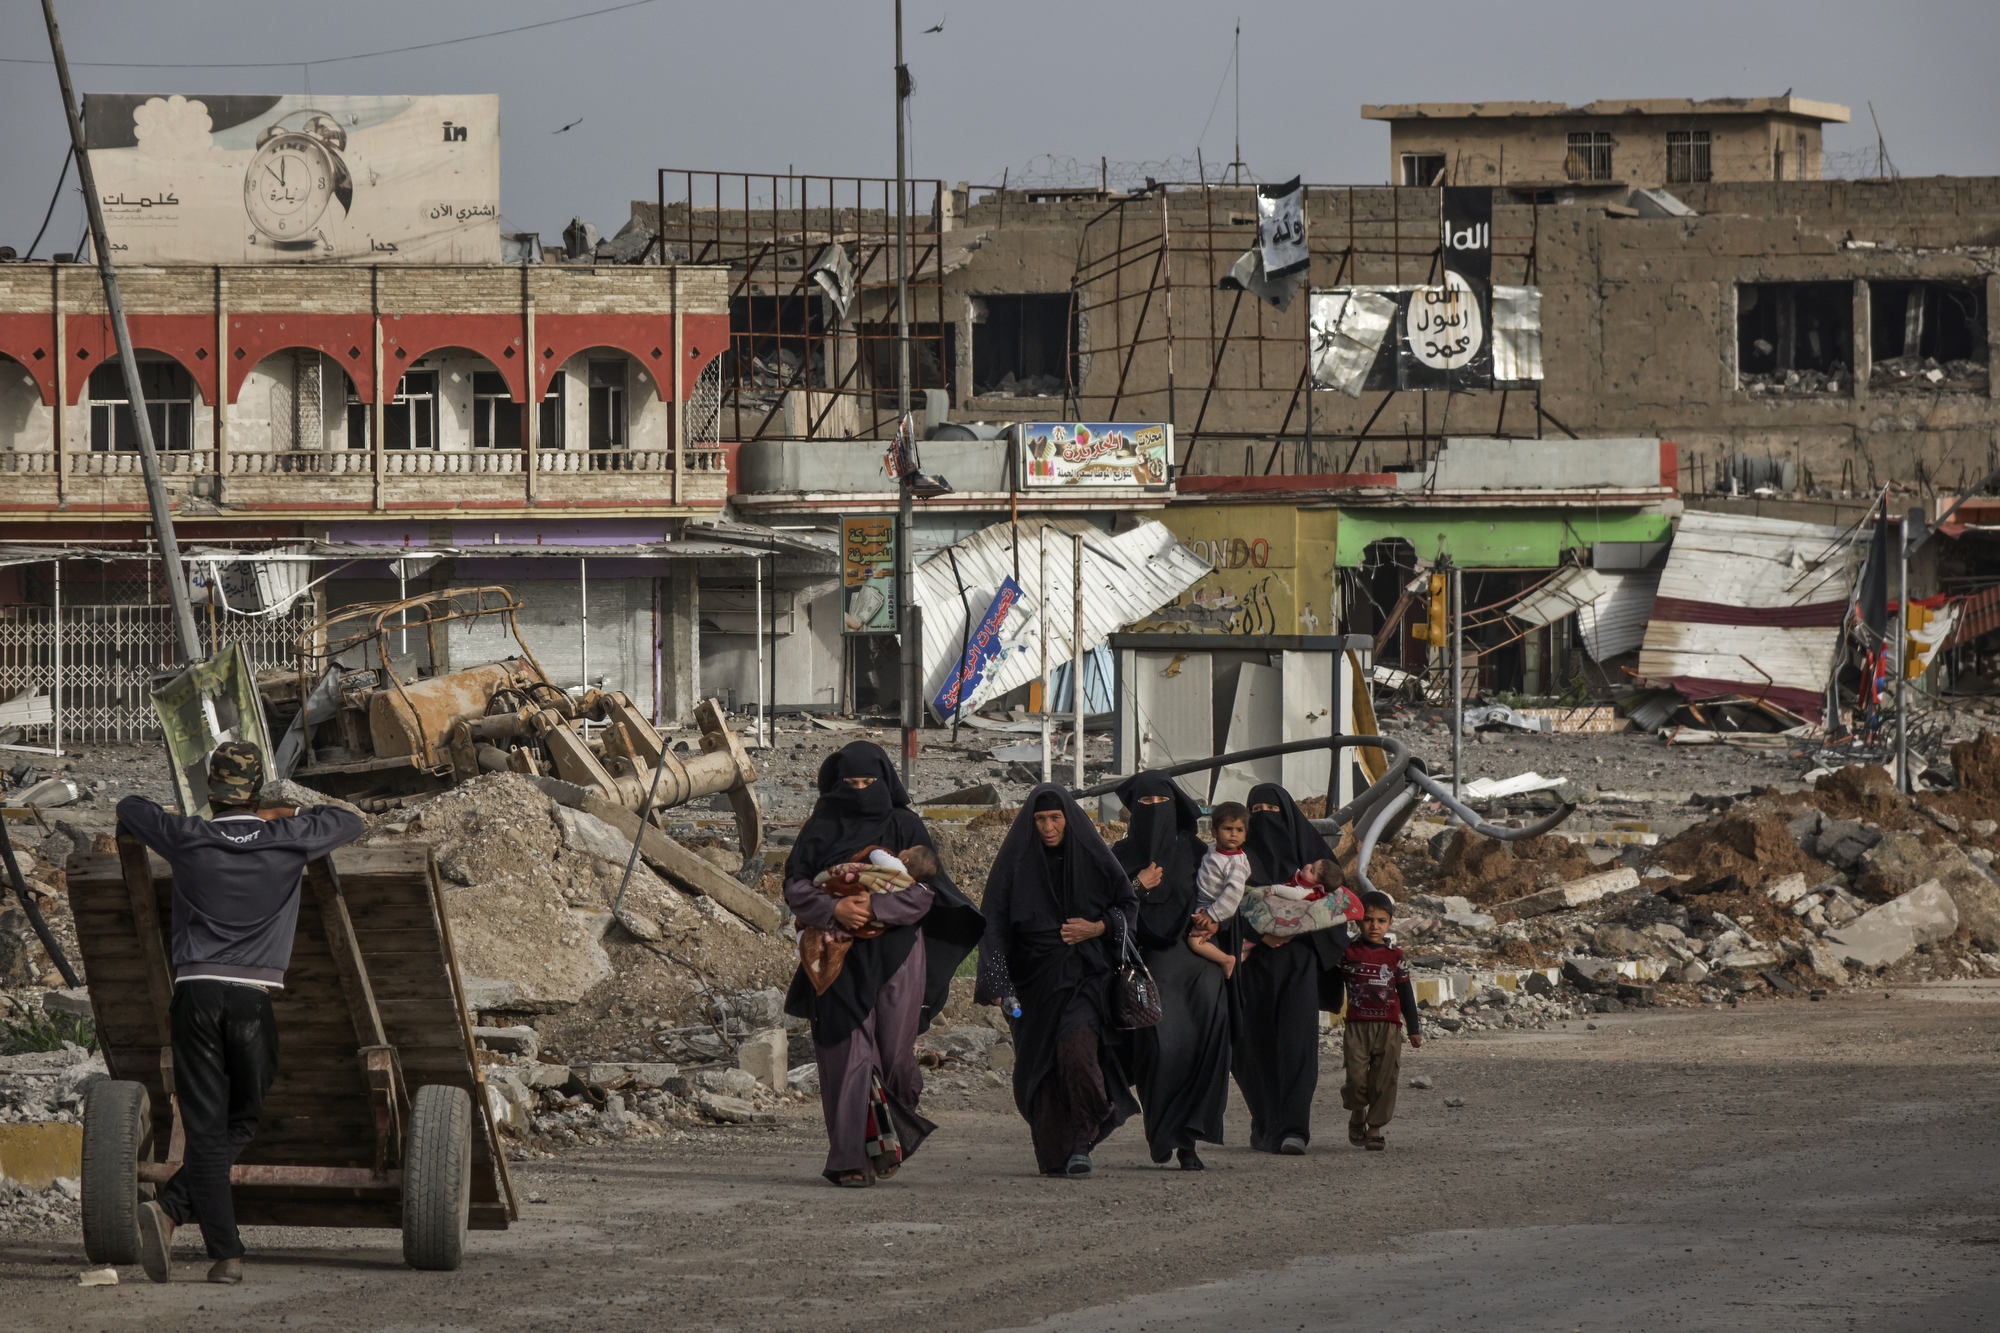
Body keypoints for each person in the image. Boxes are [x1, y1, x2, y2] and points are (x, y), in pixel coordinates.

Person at [115, 742, 366, 1285]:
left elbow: (131, 807)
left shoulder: (188, 838)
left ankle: (182, 1220)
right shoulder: (288, 839)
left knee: (204, 1128)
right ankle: (201, 1235)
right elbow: (348, 820)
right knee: (243, 1118)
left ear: (212, 790)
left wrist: (184, 815)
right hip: (252, 1001)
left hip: (196, 995)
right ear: (258, 790)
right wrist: (287, 810)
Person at [782, 743, 983, 1187]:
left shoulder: (904, 825)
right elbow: (794, 886)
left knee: (894, 1057)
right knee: (847, 1055)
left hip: (897, 956)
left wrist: (873, 909)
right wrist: (834, 911)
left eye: (867, 784)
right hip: (836, 953)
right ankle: (848, 1159)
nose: (858, 792)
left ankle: (891, 1136)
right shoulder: (821, 827)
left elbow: (926, 892)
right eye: (850, 784)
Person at [976, 784, 1139, 1178]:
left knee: (1077, 1054)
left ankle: (1083, 1139)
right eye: (1040, 820)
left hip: (1083, 978)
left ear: (1069, 820)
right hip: (1032, 984)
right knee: (1040, 1070)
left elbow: (1127, 905)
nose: (1048, 827)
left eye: (1055, 819)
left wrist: (1097, 927)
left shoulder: (1092, 857)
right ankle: (1059, 1149)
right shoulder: (1016, 863)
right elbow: (993, 922)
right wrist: (998, 983)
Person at [1112, 772, 1230, 1171]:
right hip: (1150, 970)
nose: (1152, 812)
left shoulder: (1198, 852)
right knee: (1160, 1052)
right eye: (1143, 805)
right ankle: (1162, 1132)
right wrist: (1138, 888)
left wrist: (1217, 923)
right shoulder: (1121, 855)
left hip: (1199, 966)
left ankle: (1189, 1141)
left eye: (1160, 804)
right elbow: (1108, 908)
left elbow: (1228, 897)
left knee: (1202, 1050)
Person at [1232, 781, 1342, 1156]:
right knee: (1249, 1047)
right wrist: (1261, 934)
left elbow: (1337, 906)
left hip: (1298, 964)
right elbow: (1225, 902)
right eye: (1257, 813)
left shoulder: (1314, 857)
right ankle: (1265, 1123)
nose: (1266, 820)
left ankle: (1294, 1128)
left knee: (1296, 1045)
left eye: (1272, 812)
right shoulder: (1237, 857)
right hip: (1252, 964)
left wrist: (1296, 928)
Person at [1334, 891, 1422, 1150]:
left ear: (1390, 923)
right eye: (1368, 920)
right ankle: (1357, 1111)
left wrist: (1414, 1029)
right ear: (1357, 921)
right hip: (1357, 1026)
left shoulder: (1396, 957)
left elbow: (1406, 993)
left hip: (1389, 1027)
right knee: (1356, 1078)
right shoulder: (1347, 953)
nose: (1374, 926)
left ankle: (1374, 1128)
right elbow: (1329, 981)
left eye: (1381, 921)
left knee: (1385, 1079)